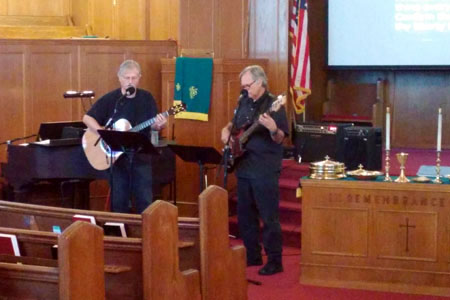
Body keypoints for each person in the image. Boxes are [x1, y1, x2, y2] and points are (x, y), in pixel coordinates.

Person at [221, 65, 288, 276]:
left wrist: (272, 129)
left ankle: (275, 260)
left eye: (248, 85)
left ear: (260, 83)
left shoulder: (274, 105)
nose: (245, 89)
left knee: (268, 217)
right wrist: (226, 130)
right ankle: (252, 255)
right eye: (243, 86)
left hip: (264, 167)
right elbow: (236, 124)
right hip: (244, 167)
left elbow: (281, 138)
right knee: (245, 216)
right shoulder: (244, 101)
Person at [83, 59, 167, 213]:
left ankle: (146, 233)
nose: (130, 82)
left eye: (134, 78)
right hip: (117, 159)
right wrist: (102, 132)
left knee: (144, 200)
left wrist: (158, 125)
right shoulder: (112, 99)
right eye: (127, 78)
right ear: (119, 78)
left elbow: (154, 126)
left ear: (139, 78)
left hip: (141, 156)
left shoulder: (146, 98)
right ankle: (120, 234)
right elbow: (87, 118)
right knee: (119, 200)